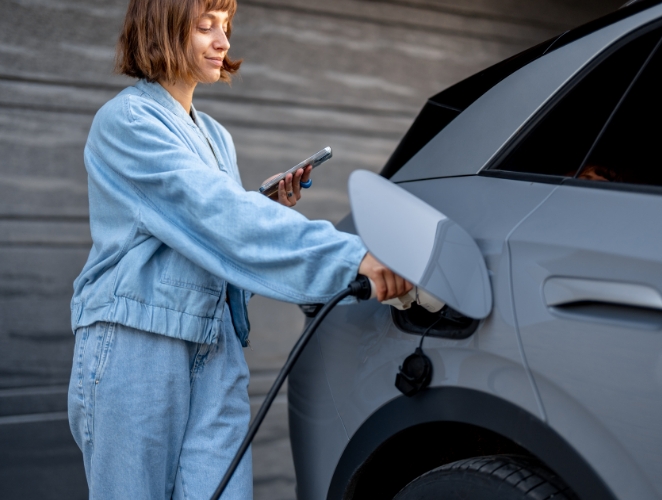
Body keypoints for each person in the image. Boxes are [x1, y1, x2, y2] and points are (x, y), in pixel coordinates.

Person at [66, 0, 412, 498]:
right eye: (205, 27)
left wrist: (258, 203)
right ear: (161, 31)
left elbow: (216, 223)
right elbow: (218, 218)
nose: (223, 42)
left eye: (225, 27)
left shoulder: (215, 136)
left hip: (216, 346)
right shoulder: (127, 122)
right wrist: (351, 257)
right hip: (139, 347)